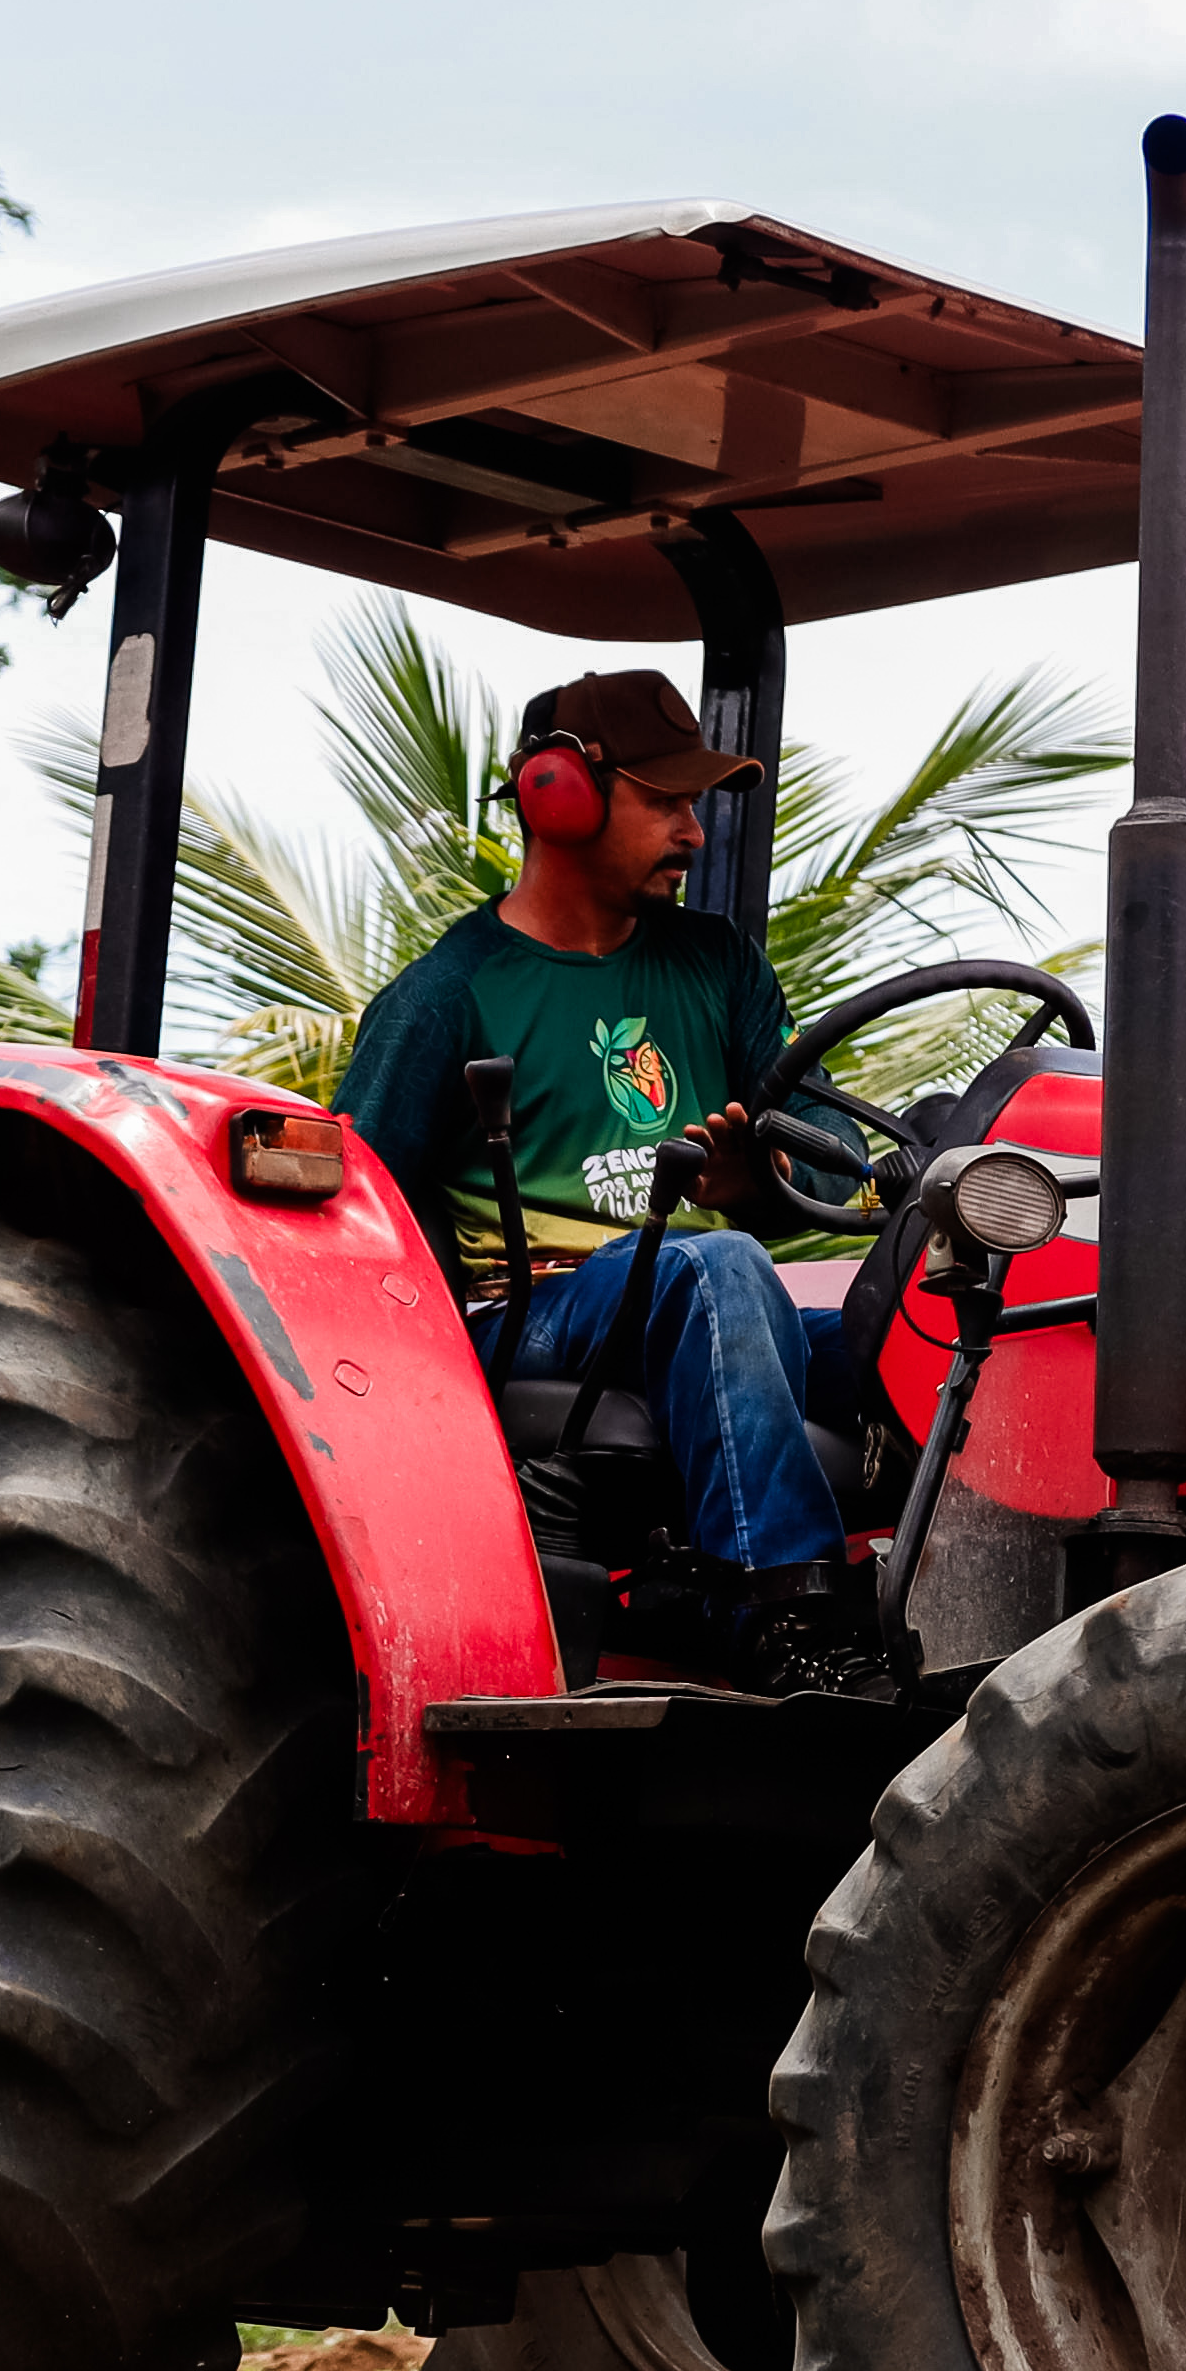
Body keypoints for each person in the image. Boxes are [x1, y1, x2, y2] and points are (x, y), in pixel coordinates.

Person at [332, 666, 875, 1691]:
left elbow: (822, 1151)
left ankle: (954, 1609)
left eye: (697, 805)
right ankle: (779, 1612)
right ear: (558, 794)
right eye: (667, 802)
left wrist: (752, 1177)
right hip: (529, 1311)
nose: (695, 833)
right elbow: (354, 1221)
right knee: (712, 1271)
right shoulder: (448, 994)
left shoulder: (719, 964)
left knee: (915, 1324)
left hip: (694, 1296)